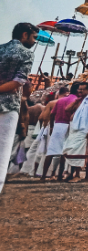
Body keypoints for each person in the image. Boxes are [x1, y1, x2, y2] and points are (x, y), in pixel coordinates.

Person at [0, 23, 37, 194]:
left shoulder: (1, 49)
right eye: (34, 37)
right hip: (7, 106)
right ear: (25, 35)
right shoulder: (26, 53)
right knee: (2, 154)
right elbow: (17, 83)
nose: (35, 42)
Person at [62, 78, 88, 181]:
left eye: (82, 89)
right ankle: (72, 173)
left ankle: (78, 175)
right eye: (79, 89)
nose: (79, 91)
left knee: (79, 152)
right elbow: (67, 109)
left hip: (84, 129)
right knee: (70, 150)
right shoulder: (80, 100)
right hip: (74, 128)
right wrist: (76, 101)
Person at [43, 82, 80, 181]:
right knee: (65, 152)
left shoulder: (60, 100)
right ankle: (60, 175)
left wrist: (51, 127)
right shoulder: (76, 101)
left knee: (51, 151)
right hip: (68, 126)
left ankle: (43, 176)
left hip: (57, 125)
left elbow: (51, 114)